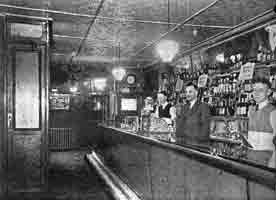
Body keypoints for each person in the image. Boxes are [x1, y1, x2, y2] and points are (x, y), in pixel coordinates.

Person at [247, 77, 276, 168]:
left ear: (268, 92)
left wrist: (273, 162)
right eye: (254, 90)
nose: (256, 93)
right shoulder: (251, 111)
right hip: (250, 158)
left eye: (261, 90)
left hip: (266, 161)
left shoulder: (273, 112)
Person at [175, 82, 211, 148]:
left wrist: (200, 146)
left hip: (198, 146)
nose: (187, 94)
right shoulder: (184, 107)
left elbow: (205, 129)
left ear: (196, 93)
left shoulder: (203, 106)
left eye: (190, 92)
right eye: (186, 92)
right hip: (184, 145)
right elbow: (180, 125)